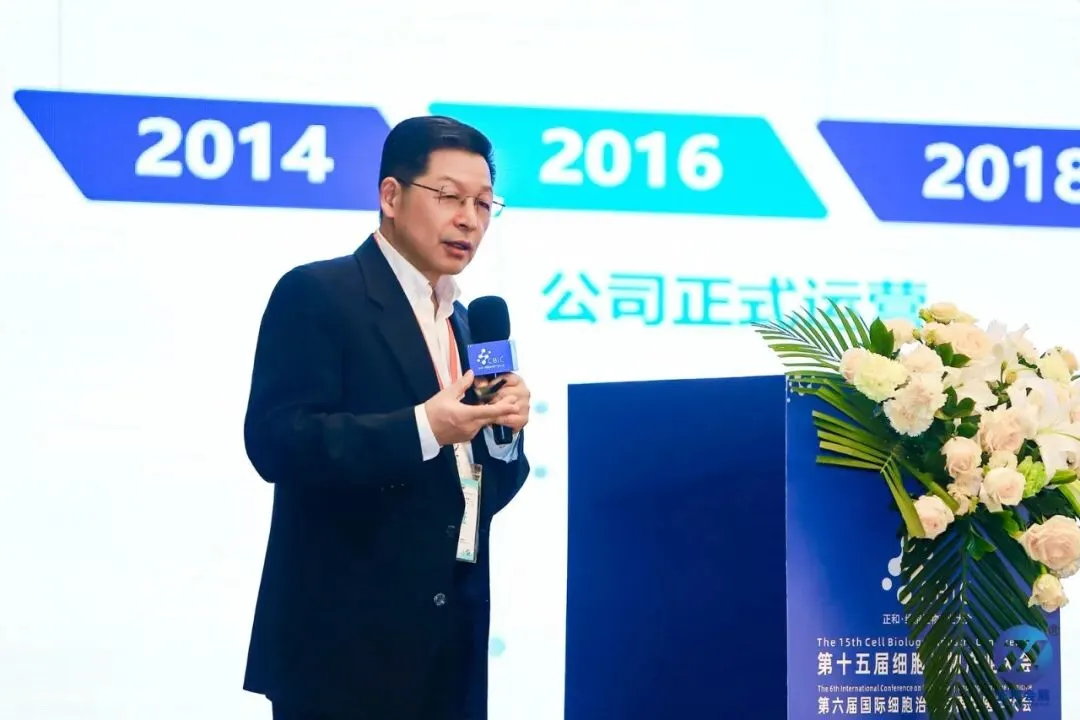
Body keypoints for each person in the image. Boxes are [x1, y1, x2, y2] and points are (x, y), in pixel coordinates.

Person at [240, 115, 532, 720]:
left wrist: (502, 436)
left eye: (483, 204)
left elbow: (472, 497)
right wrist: (425, 427)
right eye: (449, 197)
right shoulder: (319, 293)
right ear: (391, 196)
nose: (469, 219)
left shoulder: (468, 324)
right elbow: (277, 441)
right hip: (342, 657)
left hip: (449, 651)